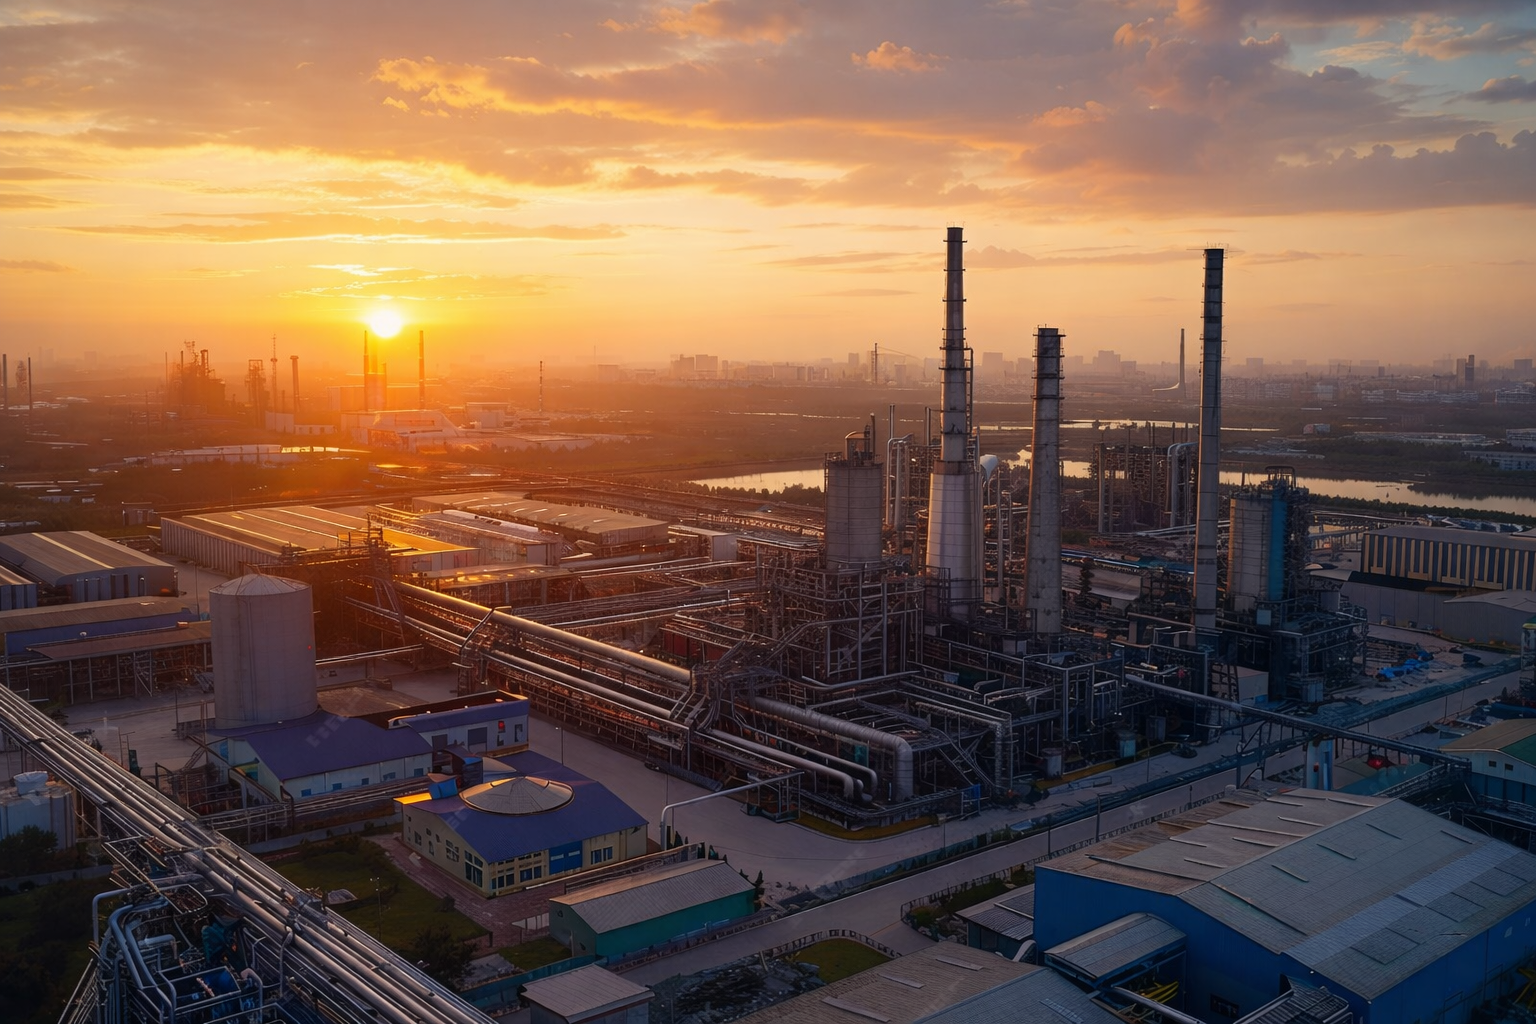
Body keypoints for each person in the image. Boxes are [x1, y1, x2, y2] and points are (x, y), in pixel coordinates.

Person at [202, 900, 261, 989]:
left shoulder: (210, 930)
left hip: (218, 962)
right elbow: (222, 951)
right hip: (218, 963)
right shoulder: (210, 931)